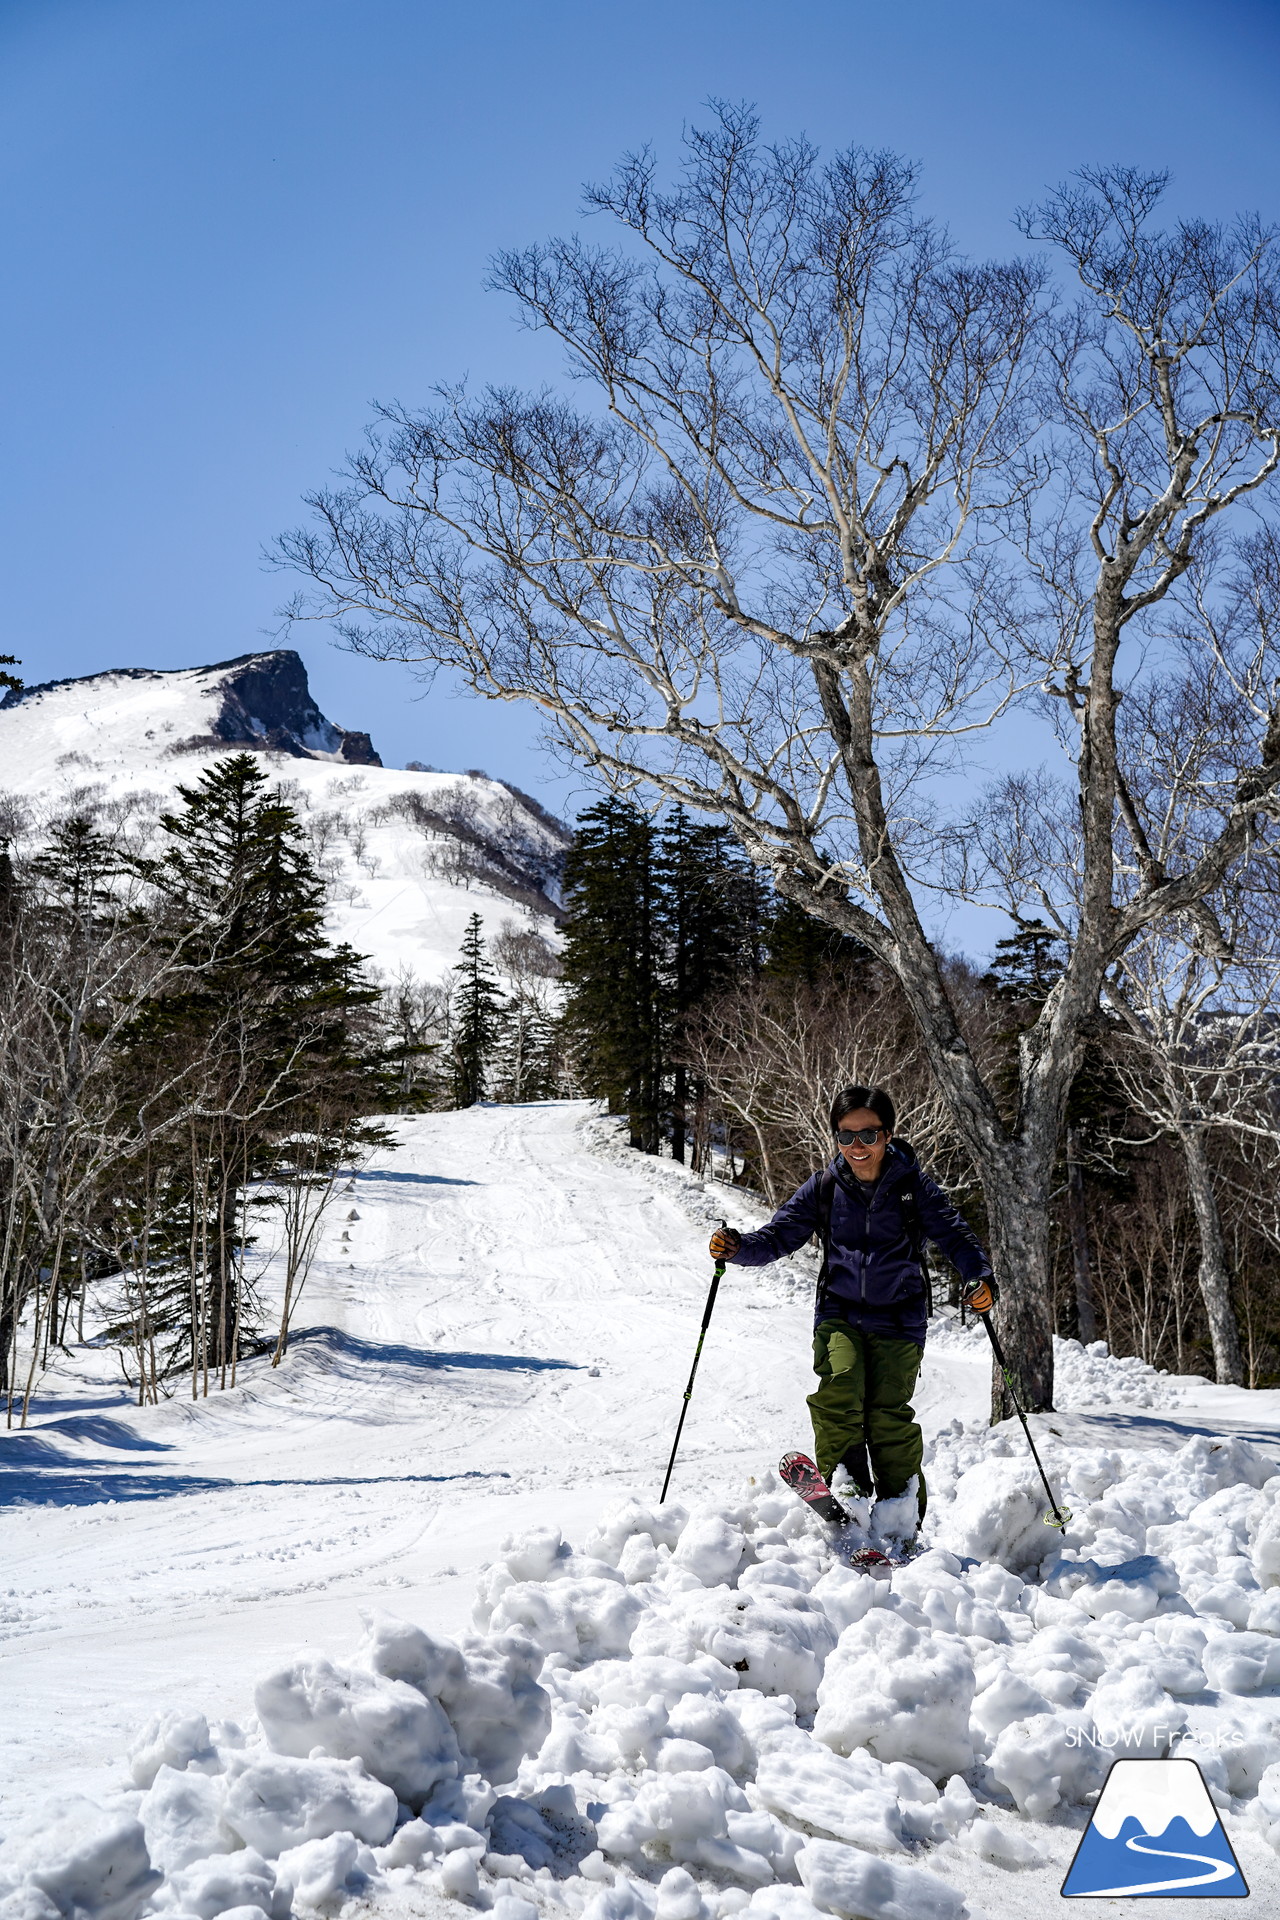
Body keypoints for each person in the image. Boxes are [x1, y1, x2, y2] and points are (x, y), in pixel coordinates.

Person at [708, 1083, 995, 1532]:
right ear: (835, 1137)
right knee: (841, 1386)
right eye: (846, 1136)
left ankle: (900, 1511)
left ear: (888, 1134)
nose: (857, 1147)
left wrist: (979, 1277)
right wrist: (737, 1247)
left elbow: (957, 1236)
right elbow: (778, 1236)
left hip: (899, 1318)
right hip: (839, 1312)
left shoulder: (912, 1186)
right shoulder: (824, 1186)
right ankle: (847, 1490)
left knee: (886, 1417)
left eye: (868, 1135)